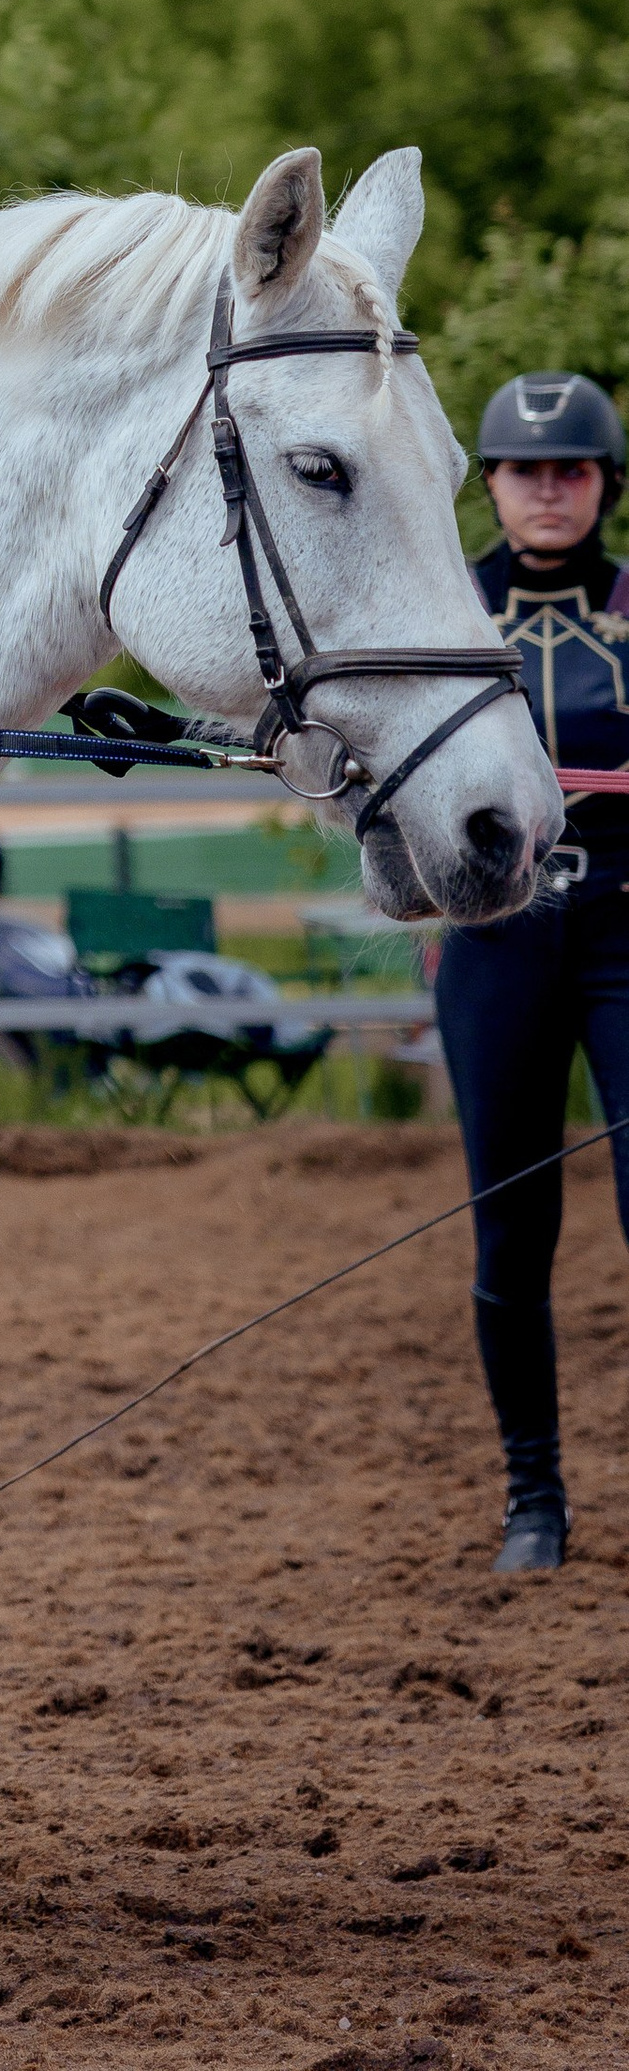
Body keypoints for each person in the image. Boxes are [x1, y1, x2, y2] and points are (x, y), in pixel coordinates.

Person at [434, 370, 629, 1572]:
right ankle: (533, 1497)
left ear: (602, 483)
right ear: (492, 484)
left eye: (569, 470)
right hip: (499, 939)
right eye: (524, 470)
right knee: (511, 1232)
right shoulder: (441, 611)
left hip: (626, 934)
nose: (547, 490)